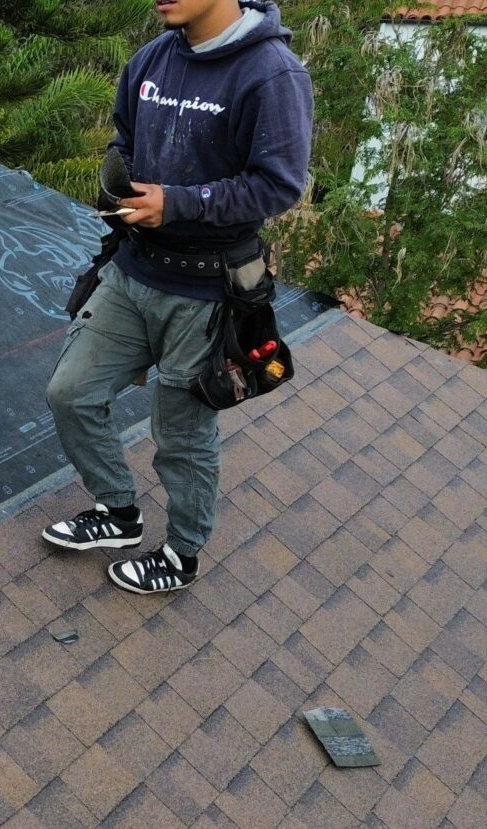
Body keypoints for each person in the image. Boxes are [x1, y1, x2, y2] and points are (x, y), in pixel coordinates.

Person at [43, 0, 313, 594]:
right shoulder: (151, 60)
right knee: (70, 393)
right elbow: (126, 141)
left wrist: (180, 203)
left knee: (182, 435)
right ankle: (117, 512)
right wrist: (122, 183)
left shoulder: (271, 73)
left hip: (208, 291)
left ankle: (181, 553)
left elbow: (279, 184)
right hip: (135, 268)